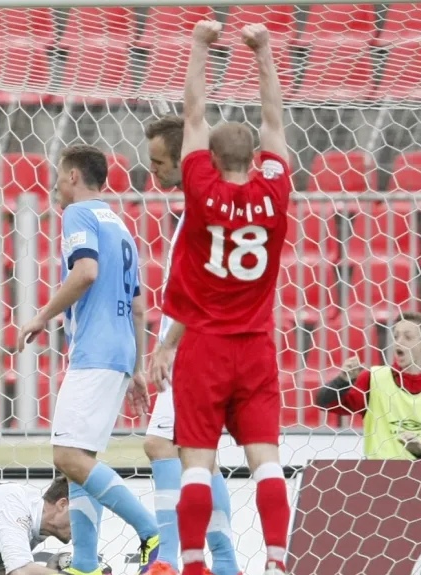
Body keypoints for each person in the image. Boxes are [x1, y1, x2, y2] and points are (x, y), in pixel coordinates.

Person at [144, 20, 292, 575]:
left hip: (203, 347)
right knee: (267, 464)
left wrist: (200, 45)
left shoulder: (200, 194)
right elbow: (274, 117)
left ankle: (191, 565)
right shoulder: (275, 194)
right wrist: (265, 53)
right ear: (255, 160)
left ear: (208, 159)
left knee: (196, 467)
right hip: (255, 345)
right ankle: (276, 561)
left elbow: (192, 114)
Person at [16, 145, 161, 575]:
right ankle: (84, 564)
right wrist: (135, 368)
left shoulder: (78, 214)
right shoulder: (121, 226)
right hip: (119, 354)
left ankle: (152, 530)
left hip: (94, 352)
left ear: (75, 176)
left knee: (67, 457)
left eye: (60, 177)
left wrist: (42, 315)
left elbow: (85, 273)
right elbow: (138, 305)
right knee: (82, 460)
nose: (57, 187)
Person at [142, 116, 241, 575]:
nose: (154, 172)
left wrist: (168, 346)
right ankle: (225, 563)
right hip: (208, 340)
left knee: (161, 443)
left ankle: (165, 561)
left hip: (194, 343)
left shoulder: (203, 208)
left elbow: (197, 286)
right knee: (198, 455)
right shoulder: (203, 205)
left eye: (160, 162)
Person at [314, 312, 421, 459]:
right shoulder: (373, 379)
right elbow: (324, 403)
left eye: (408, 337)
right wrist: (342, 381)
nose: (398, 341)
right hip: (378, 479)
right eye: (396, 336)